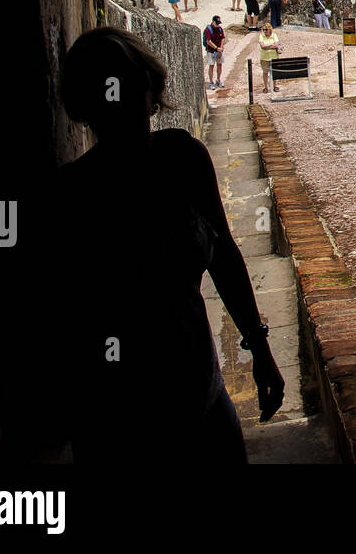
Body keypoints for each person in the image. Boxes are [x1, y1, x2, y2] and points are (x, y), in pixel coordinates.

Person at [46, 27, 284, 463]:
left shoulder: (179, 159)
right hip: (122, 416)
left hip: (194, 395)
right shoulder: (80, 192)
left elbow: (226, 257)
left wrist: (259, 344)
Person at [203, 15, 226, 89]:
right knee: (211, 66)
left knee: (219, 65)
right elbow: (208, 41)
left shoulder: (219, 29)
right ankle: (211, 82)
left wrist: (221, 47)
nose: (217, 25)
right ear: (213, 22)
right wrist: (216, 48)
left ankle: (218, 80)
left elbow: (222, 38)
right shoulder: (208, 30)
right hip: (211, 51)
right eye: (216, 23)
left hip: (219, 50)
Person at [258, 22, 281, 93]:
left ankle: (275, 86)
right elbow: (262, 46)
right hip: (264, 58)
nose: (264, 31)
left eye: (266, 29)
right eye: (263, 30)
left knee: (274, 72)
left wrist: (267, 46)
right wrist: (271, 45)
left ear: (270, 29)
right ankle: (266, 87)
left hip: (274, 57)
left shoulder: (274, 35)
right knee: (265, 72)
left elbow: (276, 45)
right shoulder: (261, 36)